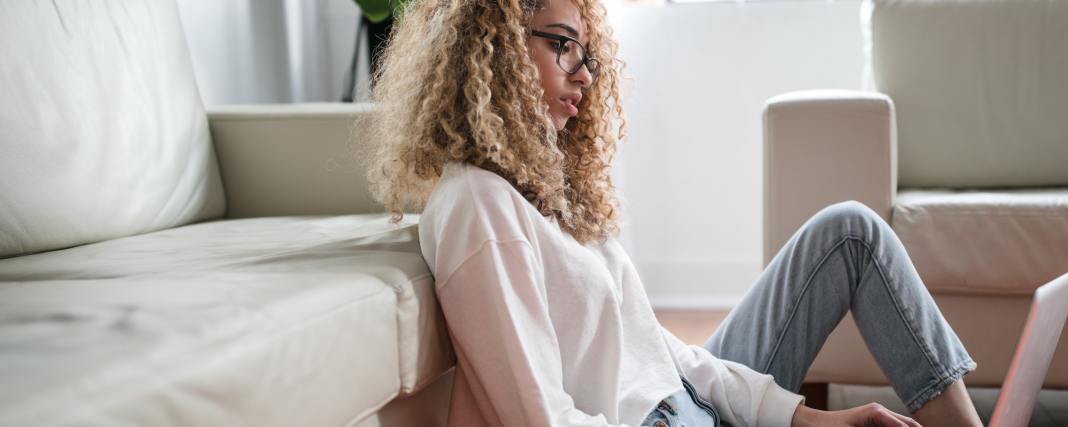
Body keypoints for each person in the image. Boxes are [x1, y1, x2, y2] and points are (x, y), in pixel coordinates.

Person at [358, 0, 984, 424]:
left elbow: (660, 353)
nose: (583, 77)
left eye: (587, 55)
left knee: (849, 230)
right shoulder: (477, 203)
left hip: (683, 400)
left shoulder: (549, 195)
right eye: (562, 46)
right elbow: (539, 417)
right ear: (490, 49)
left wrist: (806, 418)